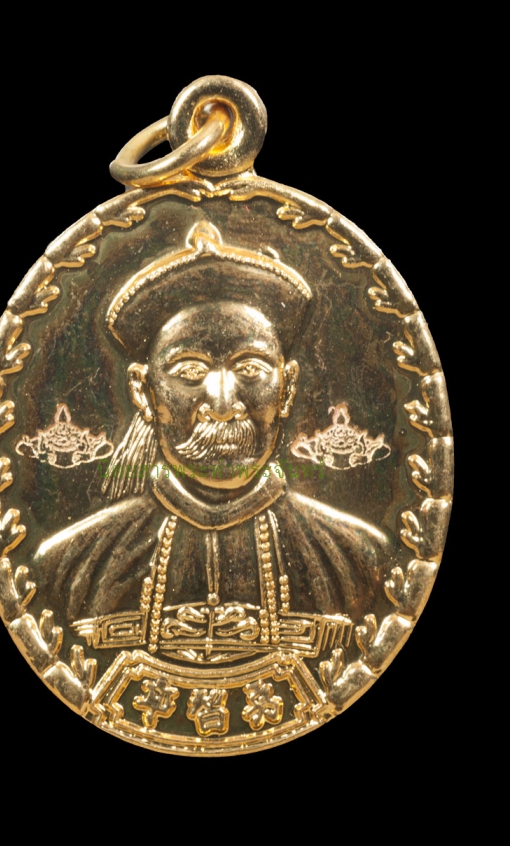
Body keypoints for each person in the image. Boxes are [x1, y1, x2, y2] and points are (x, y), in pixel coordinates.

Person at [34, 222, 391, 664]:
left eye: (251, 368)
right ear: (143, 393)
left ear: (288, 389)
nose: (222, 405)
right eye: (189, 371)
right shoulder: (71, 567)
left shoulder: (357, 560)